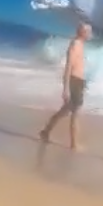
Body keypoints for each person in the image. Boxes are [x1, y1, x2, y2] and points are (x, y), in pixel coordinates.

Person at [38, 21, 92, 149]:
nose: (90, 34)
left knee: (65, 111)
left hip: (78, 81)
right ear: (82, 32)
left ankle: (45, 132)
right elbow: (68, 66)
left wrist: (83, 82)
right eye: (89, 31)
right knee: (75, 113)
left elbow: (78, 66)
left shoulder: (80, 44)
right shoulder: (75, 44)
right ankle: (74, 144)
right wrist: (66, 88)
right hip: (74, 81)